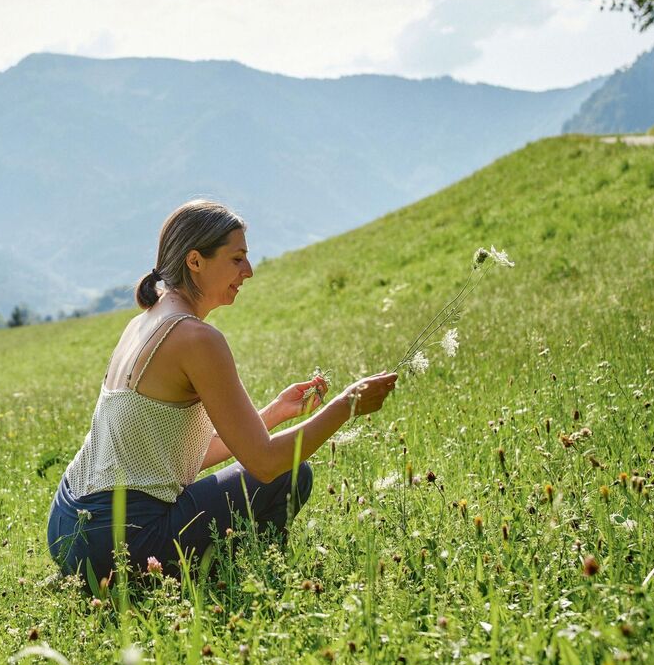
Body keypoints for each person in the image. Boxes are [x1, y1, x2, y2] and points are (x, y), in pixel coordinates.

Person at [46, 199, 398, 584]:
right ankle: (246, 578)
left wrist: (274, 413)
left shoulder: (144, 322)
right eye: (236, 259)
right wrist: (346, 406)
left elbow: (166, 461)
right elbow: (265, 463)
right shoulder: (195, 338)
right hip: (120, 544)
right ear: (195, 261)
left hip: (69, 527)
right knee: (288, 475)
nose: (248, 271)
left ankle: (217, 571)